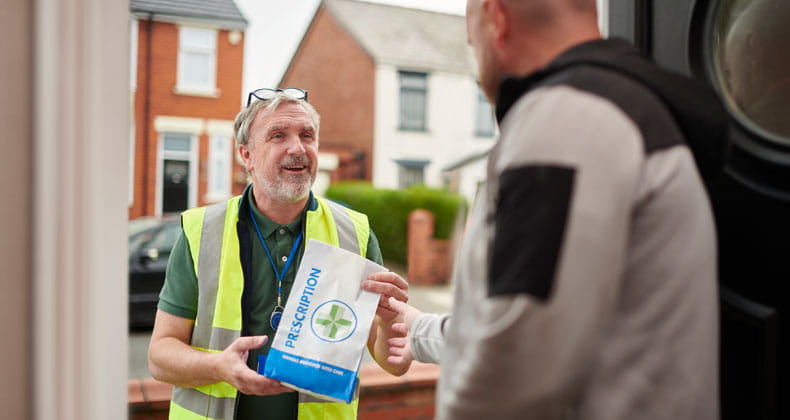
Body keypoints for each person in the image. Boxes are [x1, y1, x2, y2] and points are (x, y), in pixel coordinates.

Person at [384, 0, 720, 418]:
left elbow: (516, 369)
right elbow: (550, 317)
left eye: (473, 44)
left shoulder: (563, 121)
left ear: (496, 20)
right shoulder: (620, 109)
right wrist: (418, 330)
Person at [148, 88, 410, 420]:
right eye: (278, 135)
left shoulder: (355, 233)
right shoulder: (201, 231)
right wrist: (217, 366)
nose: (298, 148)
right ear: (247, 155)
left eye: (307, 135)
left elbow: (394, 363)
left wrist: (390, 322)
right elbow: (159, 356)